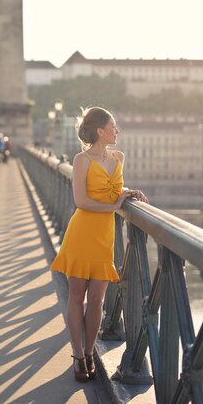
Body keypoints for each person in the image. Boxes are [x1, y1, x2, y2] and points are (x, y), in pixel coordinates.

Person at [50, 106, 148, 382]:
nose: (117, 131)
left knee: (97, 300)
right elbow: (81, 202)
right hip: (82, 233)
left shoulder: (119, 158)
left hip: (104, 236)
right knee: (77, 296)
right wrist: (115, 205)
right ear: (100, 131)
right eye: (113, 126)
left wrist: (127, 195)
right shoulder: (81, 160)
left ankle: (90, 352)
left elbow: (114, 192)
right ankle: (78, 356)